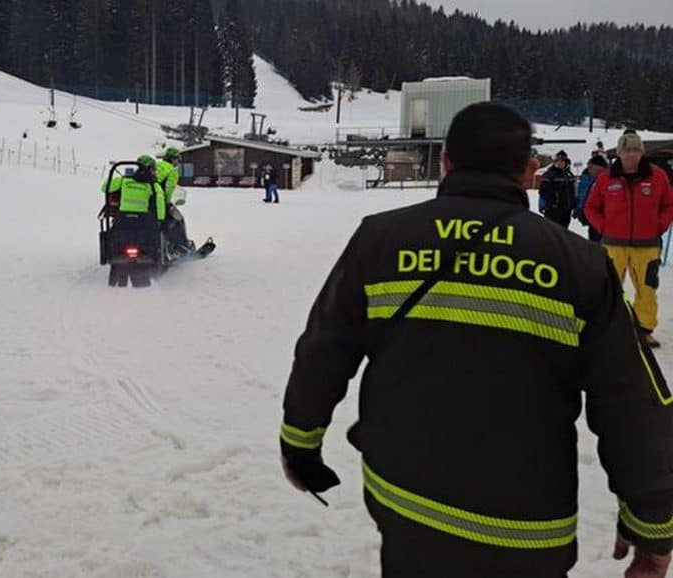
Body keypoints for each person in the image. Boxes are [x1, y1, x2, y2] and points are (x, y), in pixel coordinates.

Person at [280, 102, 673, 578]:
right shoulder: (580, 264)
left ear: (445, 162)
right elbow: (633, 402)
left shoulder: (381, 238)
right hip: (525, 527)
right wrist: (653, 524)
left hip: (404, 502)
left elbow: (323, 349)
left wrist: (300, 444)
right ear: (529, 171)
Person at [585, 131, 673, 349]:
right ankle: (608, 329)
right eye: (626, 150)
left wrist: (659, 225)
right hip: (613, 245)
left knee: (647, 289)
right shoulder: (606, 178)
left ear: (641, 152)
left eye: (635, 150)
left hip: (648, 246)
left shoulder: (657, 176)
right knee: (610, 289)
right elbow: (590, 207)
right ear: (620, 153)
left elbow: (669, 204)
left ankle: (644, 329)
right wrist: (604, 227)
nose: (631, 155)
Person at [538, 151, 577, 229]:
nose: (559, 163)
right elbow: (542, 192)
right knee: (552, 231)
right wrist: (551, 203)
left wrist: (573, 204)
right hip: (553, 209)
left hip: (567, 209)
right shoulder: (549, 174)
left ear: (566, 162)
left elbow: (573, 191)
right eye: (557, 161)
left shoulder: (569, 174)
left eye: (562, 161)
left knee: (564, 230)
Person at [574, 155, 609, 242]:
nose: (588, 170)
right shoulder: (593, 179)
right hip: (593, 221)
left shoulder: (608, 180)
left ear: (599, 167)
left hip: (603, 223)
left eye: (591, 167)